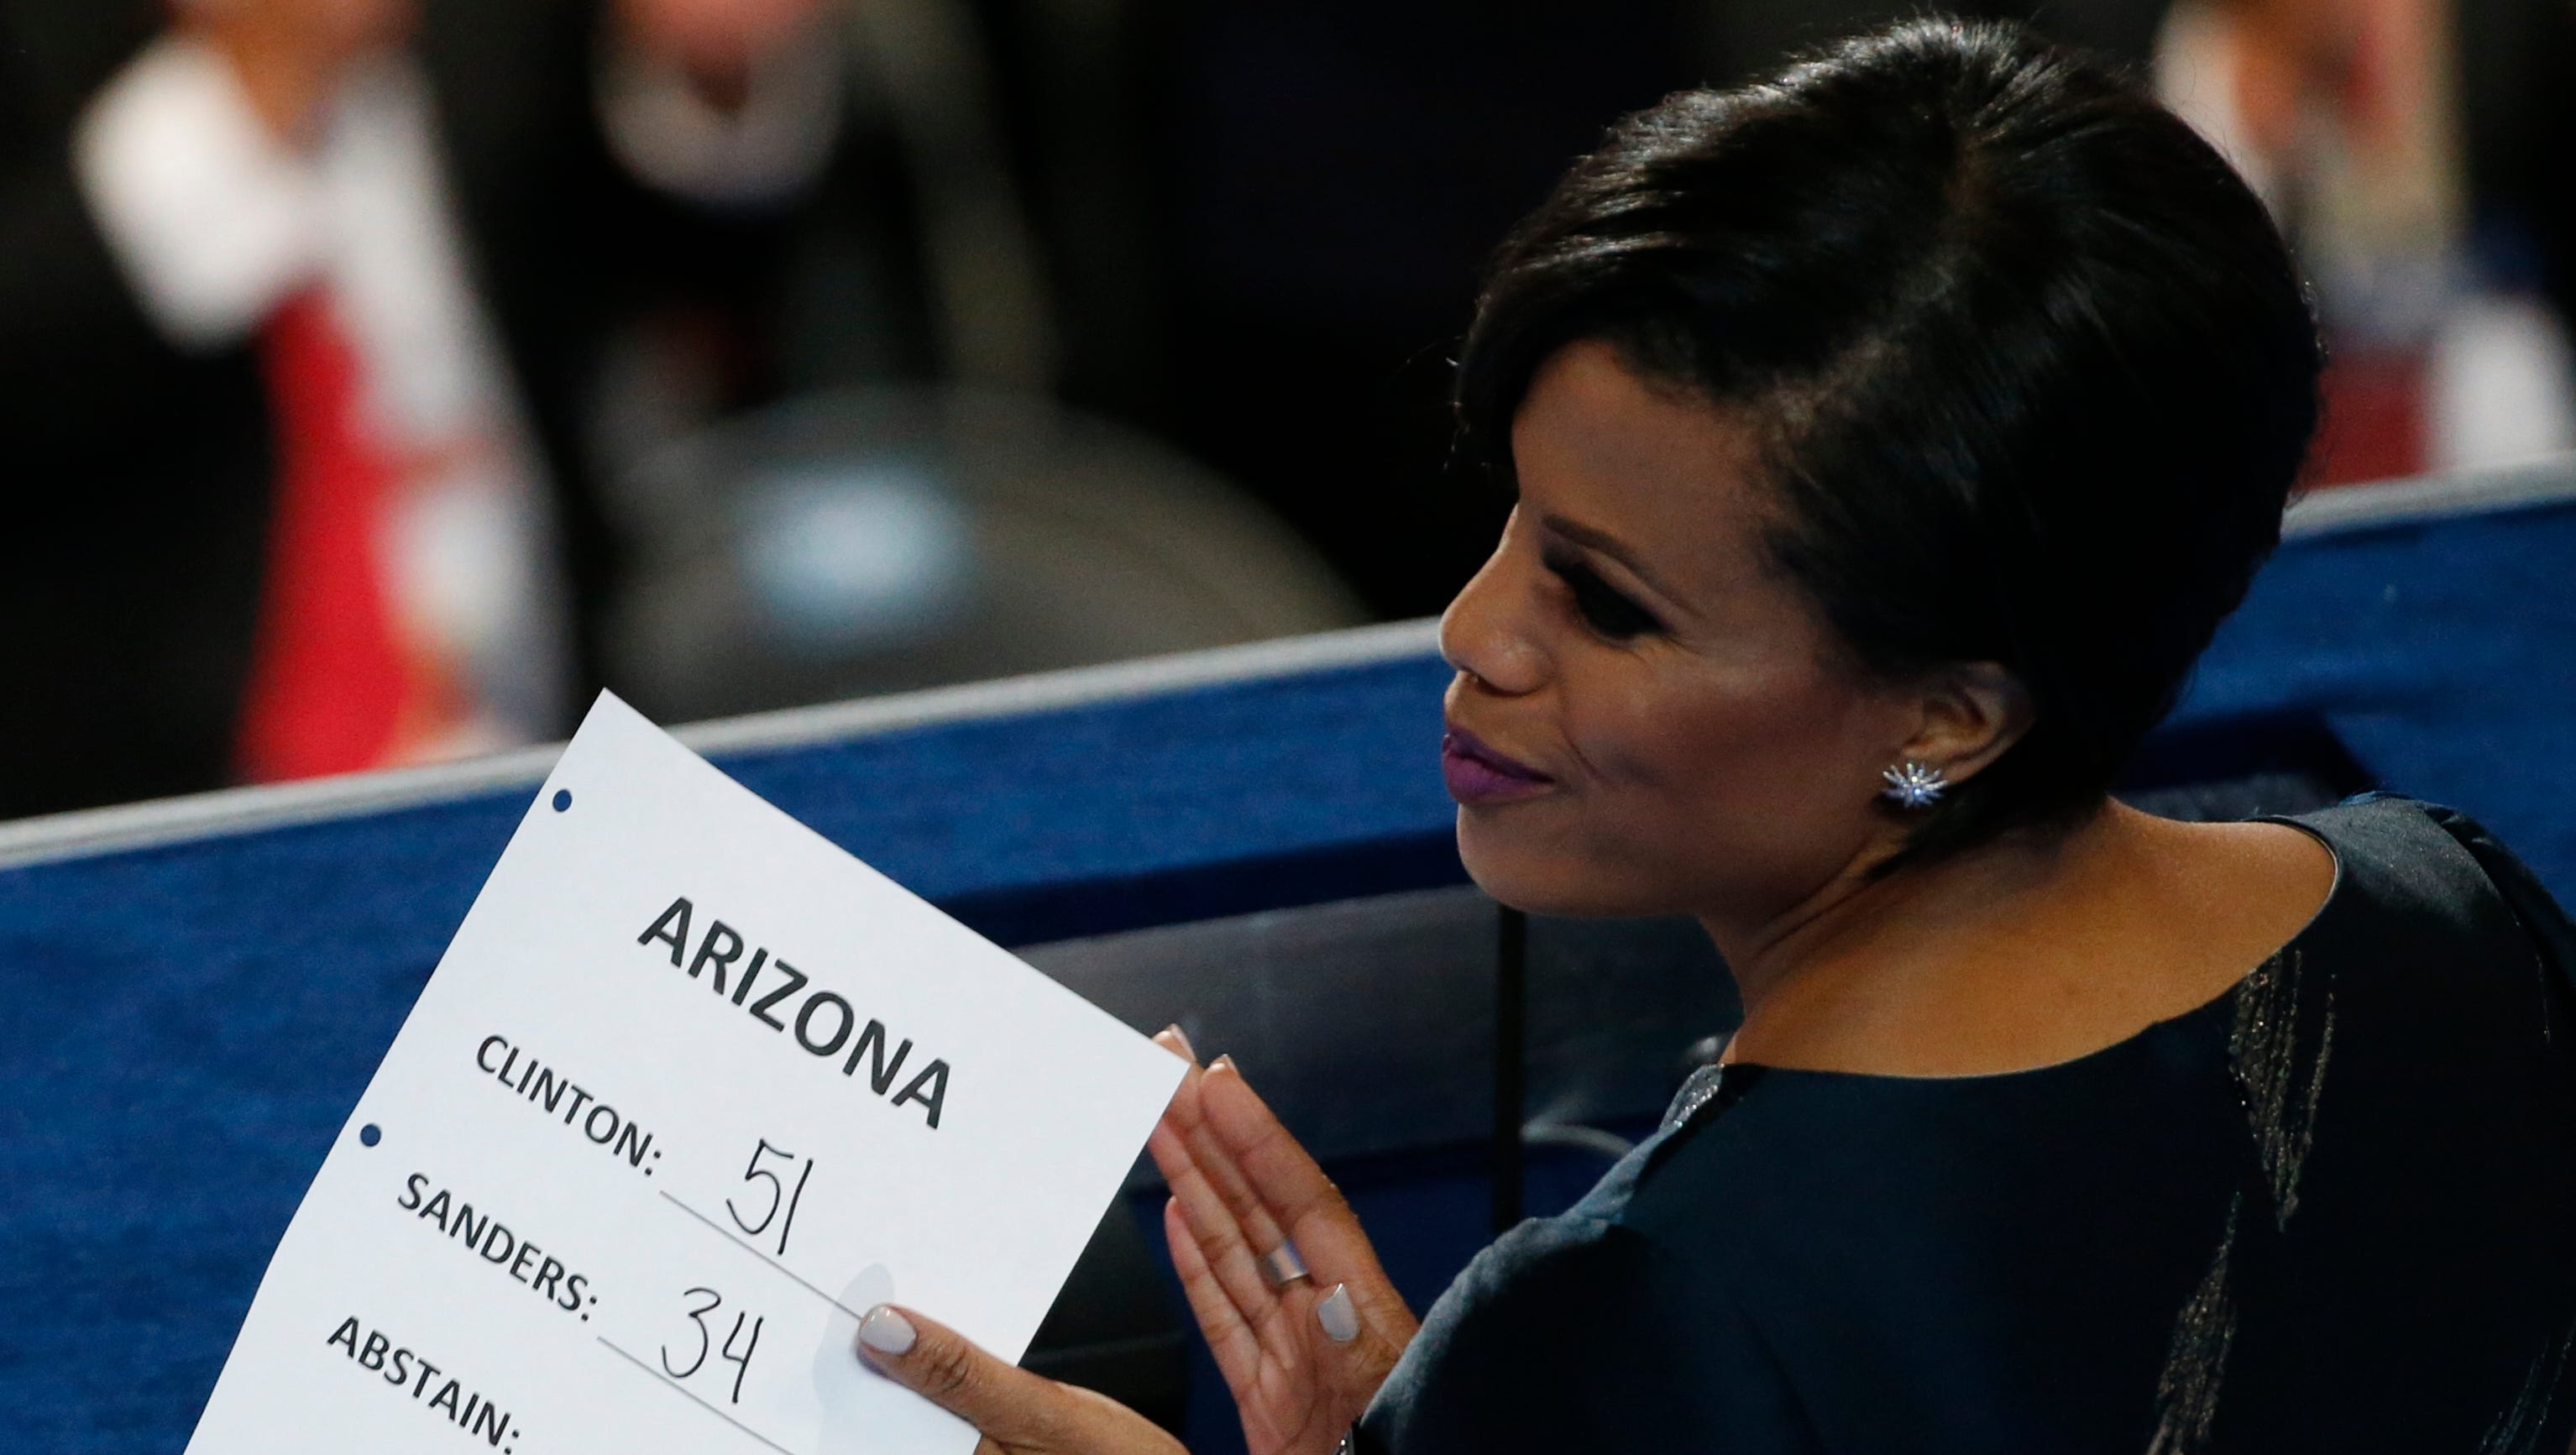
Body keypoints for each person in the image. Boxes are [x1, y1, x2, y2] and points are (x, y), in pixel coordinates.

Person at [840, 18, 2576, 1452]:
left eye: (1603, 600)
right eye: (1508, 520)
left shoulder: (1651, 1313)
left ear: (1949, 715)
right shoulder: (2454, 912)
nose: (1471, 634)